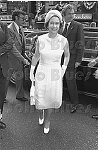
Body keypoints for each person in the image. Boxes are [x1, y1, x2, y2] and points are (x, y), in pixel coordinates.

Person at [30, 9, 70, 134]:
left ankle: (47, 120)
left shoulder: (64, 40)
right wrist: (32, 70)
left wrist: (63, 67)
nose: (54, 26)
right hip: (42, 71)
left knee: (52, 98)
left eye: (57, 23)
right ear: (47, 24)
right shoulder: (40, 39)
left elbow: (67, 56)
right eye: (52, 23)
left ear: (60, 25)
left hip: (55, 73)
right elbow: (36, 56)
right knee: (40, 97)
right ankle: (41, 113)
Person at [61, 4, 84, 113]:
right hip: (58, 59)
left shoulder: (78, 26)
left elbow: (80, 44)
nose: (72, 15)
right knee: (57, 80)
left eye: (73, 13)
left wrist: (78, 60)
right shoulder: (59, 25)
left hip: (72, 59)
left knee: (71, 82)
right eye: (69, 14)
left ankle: (75, 104)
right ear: (64, 15)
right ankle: (58, 101)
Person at [7, 10, 30, 102]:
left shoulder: (20, 28)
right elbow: (12, 47)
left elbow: (21, 44)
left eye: (25, 18)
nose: (24, 20)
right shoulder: (9, 29)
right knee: (6, 79)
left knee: (20, 77)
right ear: (16, 18)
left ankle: (19, 95)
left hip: (19, 58)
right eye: (22, 18)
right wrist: (23, 59)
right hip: (10, 58)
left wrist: (25, 56)